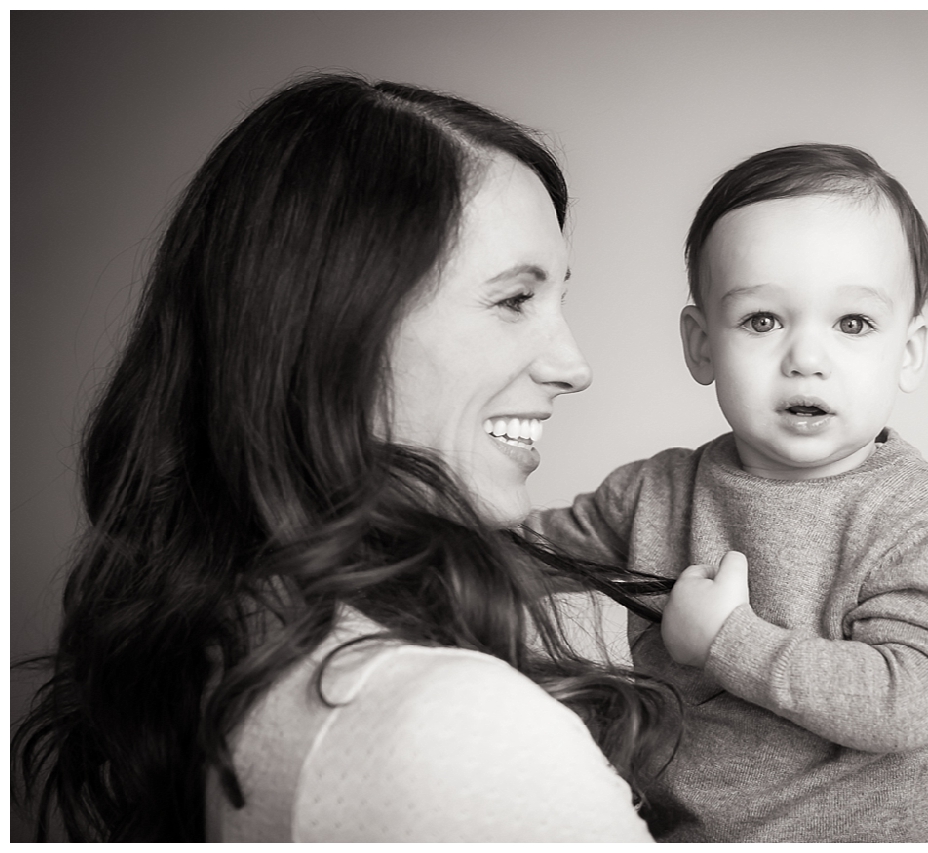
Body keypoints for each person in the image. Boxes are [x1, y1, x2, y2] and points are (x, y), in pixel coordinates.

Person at [11, 73, 680, 842]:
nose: (573, 364)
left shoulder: (237, 642)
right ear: (339, 328)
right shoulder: (460, 732)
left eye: (559, 297)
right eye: (512, 300)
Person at [533, 144, 928, 842]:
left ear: (907, 352)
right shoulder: (655, 492)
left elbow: (910, 700)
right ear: (702, 345)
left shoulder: (924, 518)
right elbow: (512, 554)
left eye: (853, 323)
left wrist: (730, 640)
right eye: (763, 320)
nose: (806, 359)